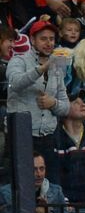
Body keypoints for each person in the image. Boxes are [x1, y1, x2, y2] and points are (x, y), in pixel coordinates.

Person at [6, 17, 68, 162]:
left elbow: (66, 107)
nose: (48, 43)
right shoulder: (18, 61)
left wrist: (53, 103)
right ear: (32, 40)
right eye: (43, 39)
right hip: (21, 135)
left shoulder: (57, 68)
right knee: (21, 183)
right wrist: (41, 69)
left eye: (52, 39)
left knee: (50, 183)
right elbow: (15, 83)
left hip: (49, 137)